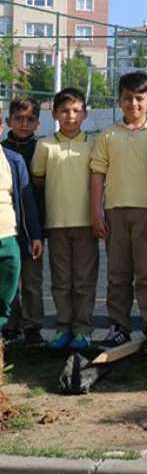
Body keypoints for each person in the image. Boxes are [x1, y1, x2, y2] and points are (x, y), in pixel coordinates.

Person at [90, 72, 147, 351]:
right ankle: (118, 326)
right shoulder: (108, 135)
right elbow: (98, 174)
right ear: (120, 101)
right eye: (127, 98)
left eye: (139, 98)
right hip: (115, 213)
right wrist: (97, 213)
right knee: (117, 273)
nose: (133, 104)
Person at [32, 88, 95, 350]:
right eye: (64, 110)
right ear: (54, 113)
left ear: (85, 113)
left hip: (86, 224)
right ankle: (63, 327)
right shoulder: (45, 145)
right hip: (56, 224)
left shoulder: (93, 144)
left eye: (76, 110)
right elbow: (38, 181)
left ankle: (82, 329)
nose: (70, 115)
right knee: (61, 280)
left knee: (83, 279)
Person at [1, 97, 43, 346]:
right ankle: (10, 324)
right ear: (8, 122)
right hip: (6, 224)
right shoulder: (5, 150)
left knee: (32, 280)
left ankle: (32, 326)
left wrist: (37, 231)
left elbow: (30, 196)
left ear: (38, 123)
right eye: (18, 118)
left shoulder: (41, 148)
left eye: (29, 119)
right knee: (8, 281)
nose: (24, 124)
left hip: (31, 222)